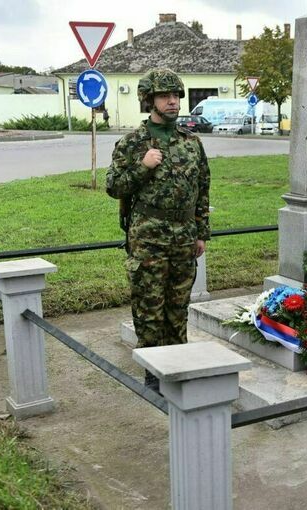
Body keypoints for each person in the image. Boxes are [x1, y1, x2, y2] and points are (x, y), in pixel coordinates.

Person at [106, 69, 211, 394]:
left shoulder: (191, 143)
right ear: (149, 99)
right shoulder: (133, 142)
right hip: (148, 237)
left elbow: (203, 187)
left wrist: (201, 232)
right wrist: (143, 166)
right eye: (166, 96)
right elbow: (113, 186)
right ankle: (153, 373)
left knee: (178, 305)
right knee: (149, 305)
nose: (173, 101)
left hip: (183, 236)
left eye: (177, 96)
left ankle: (177, 366)